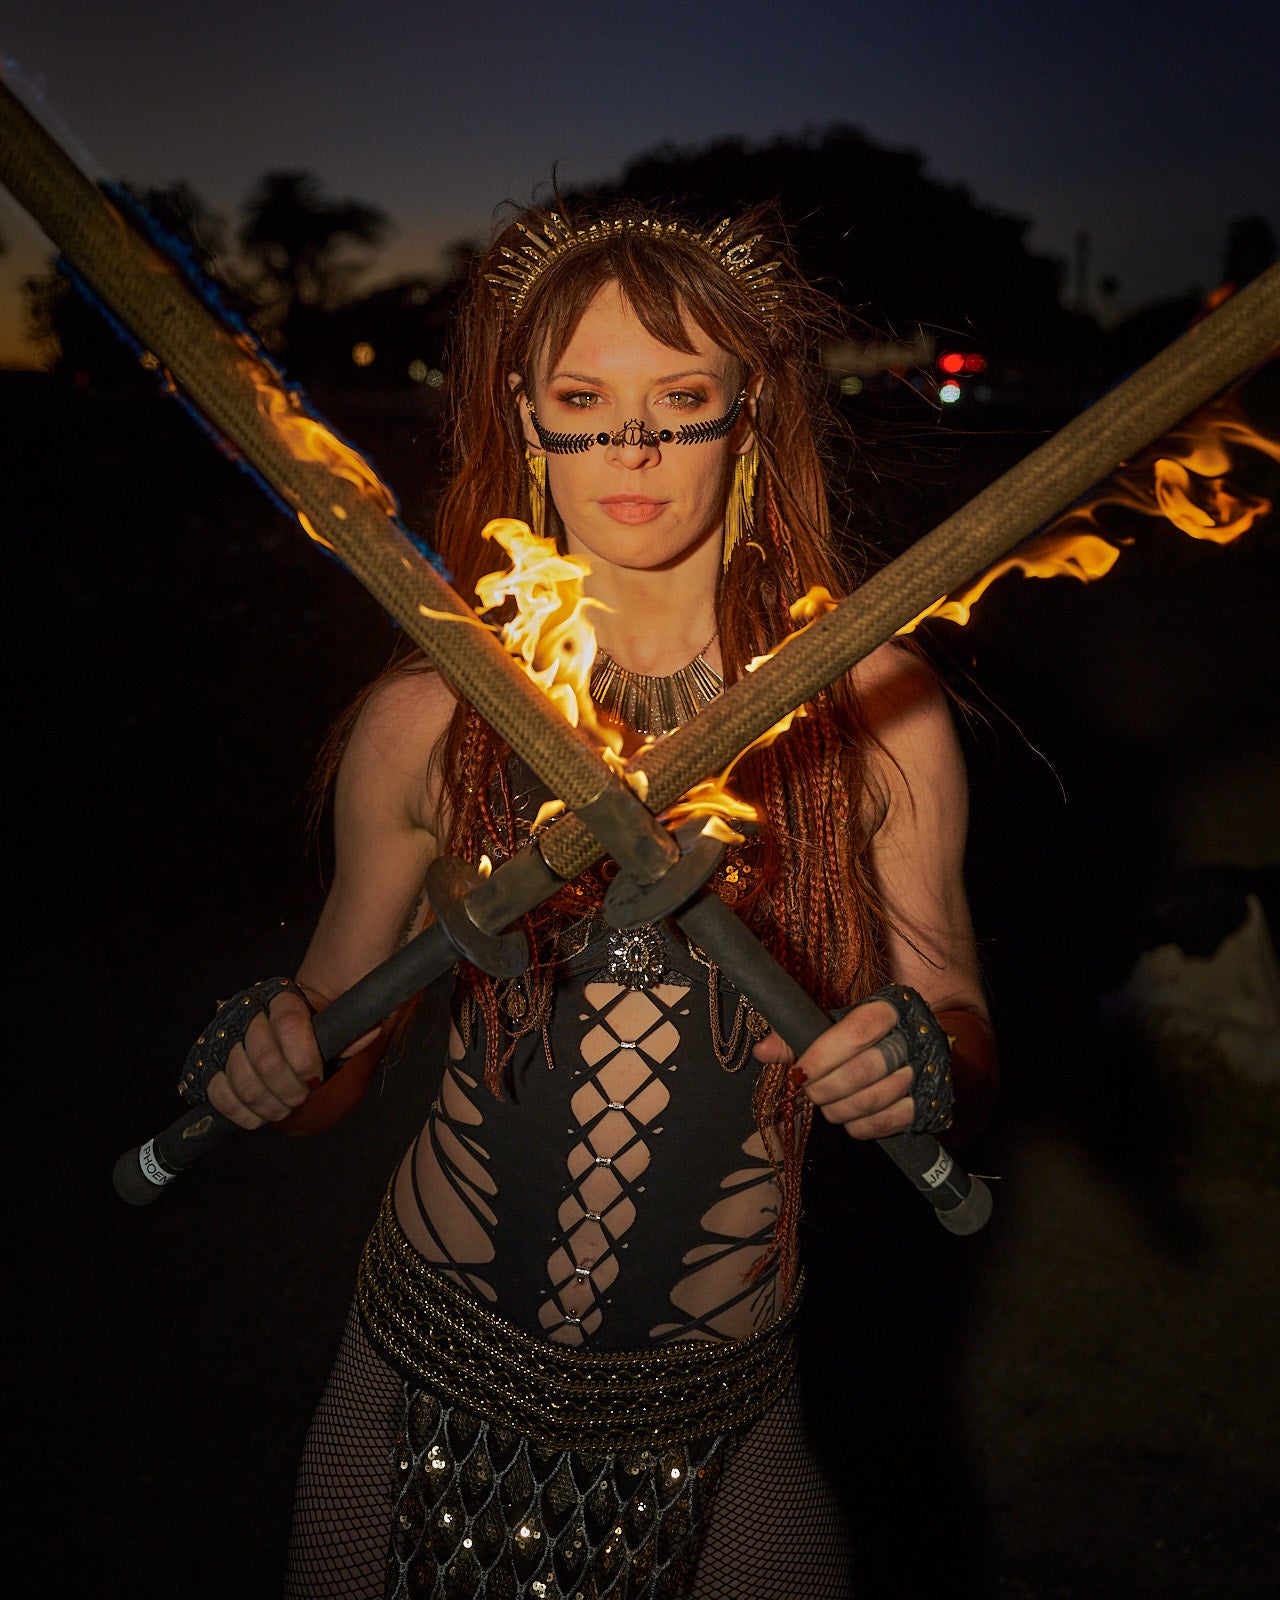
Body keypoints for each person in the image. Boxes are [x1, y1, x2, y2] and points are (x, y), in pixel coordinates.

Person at [184, 202, 996, 1599]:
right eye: (585, 401)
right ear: (525, 415)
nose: (631, 447)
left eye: (681, 402)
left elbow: (962, 1029)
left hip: (726, 1418)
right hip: (413, 1387)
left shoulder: (879, 715)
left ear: (750, 416)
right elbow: (332, 1053)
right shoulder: (424, 720)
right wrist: (274, 1057)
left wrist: (919, 1064)